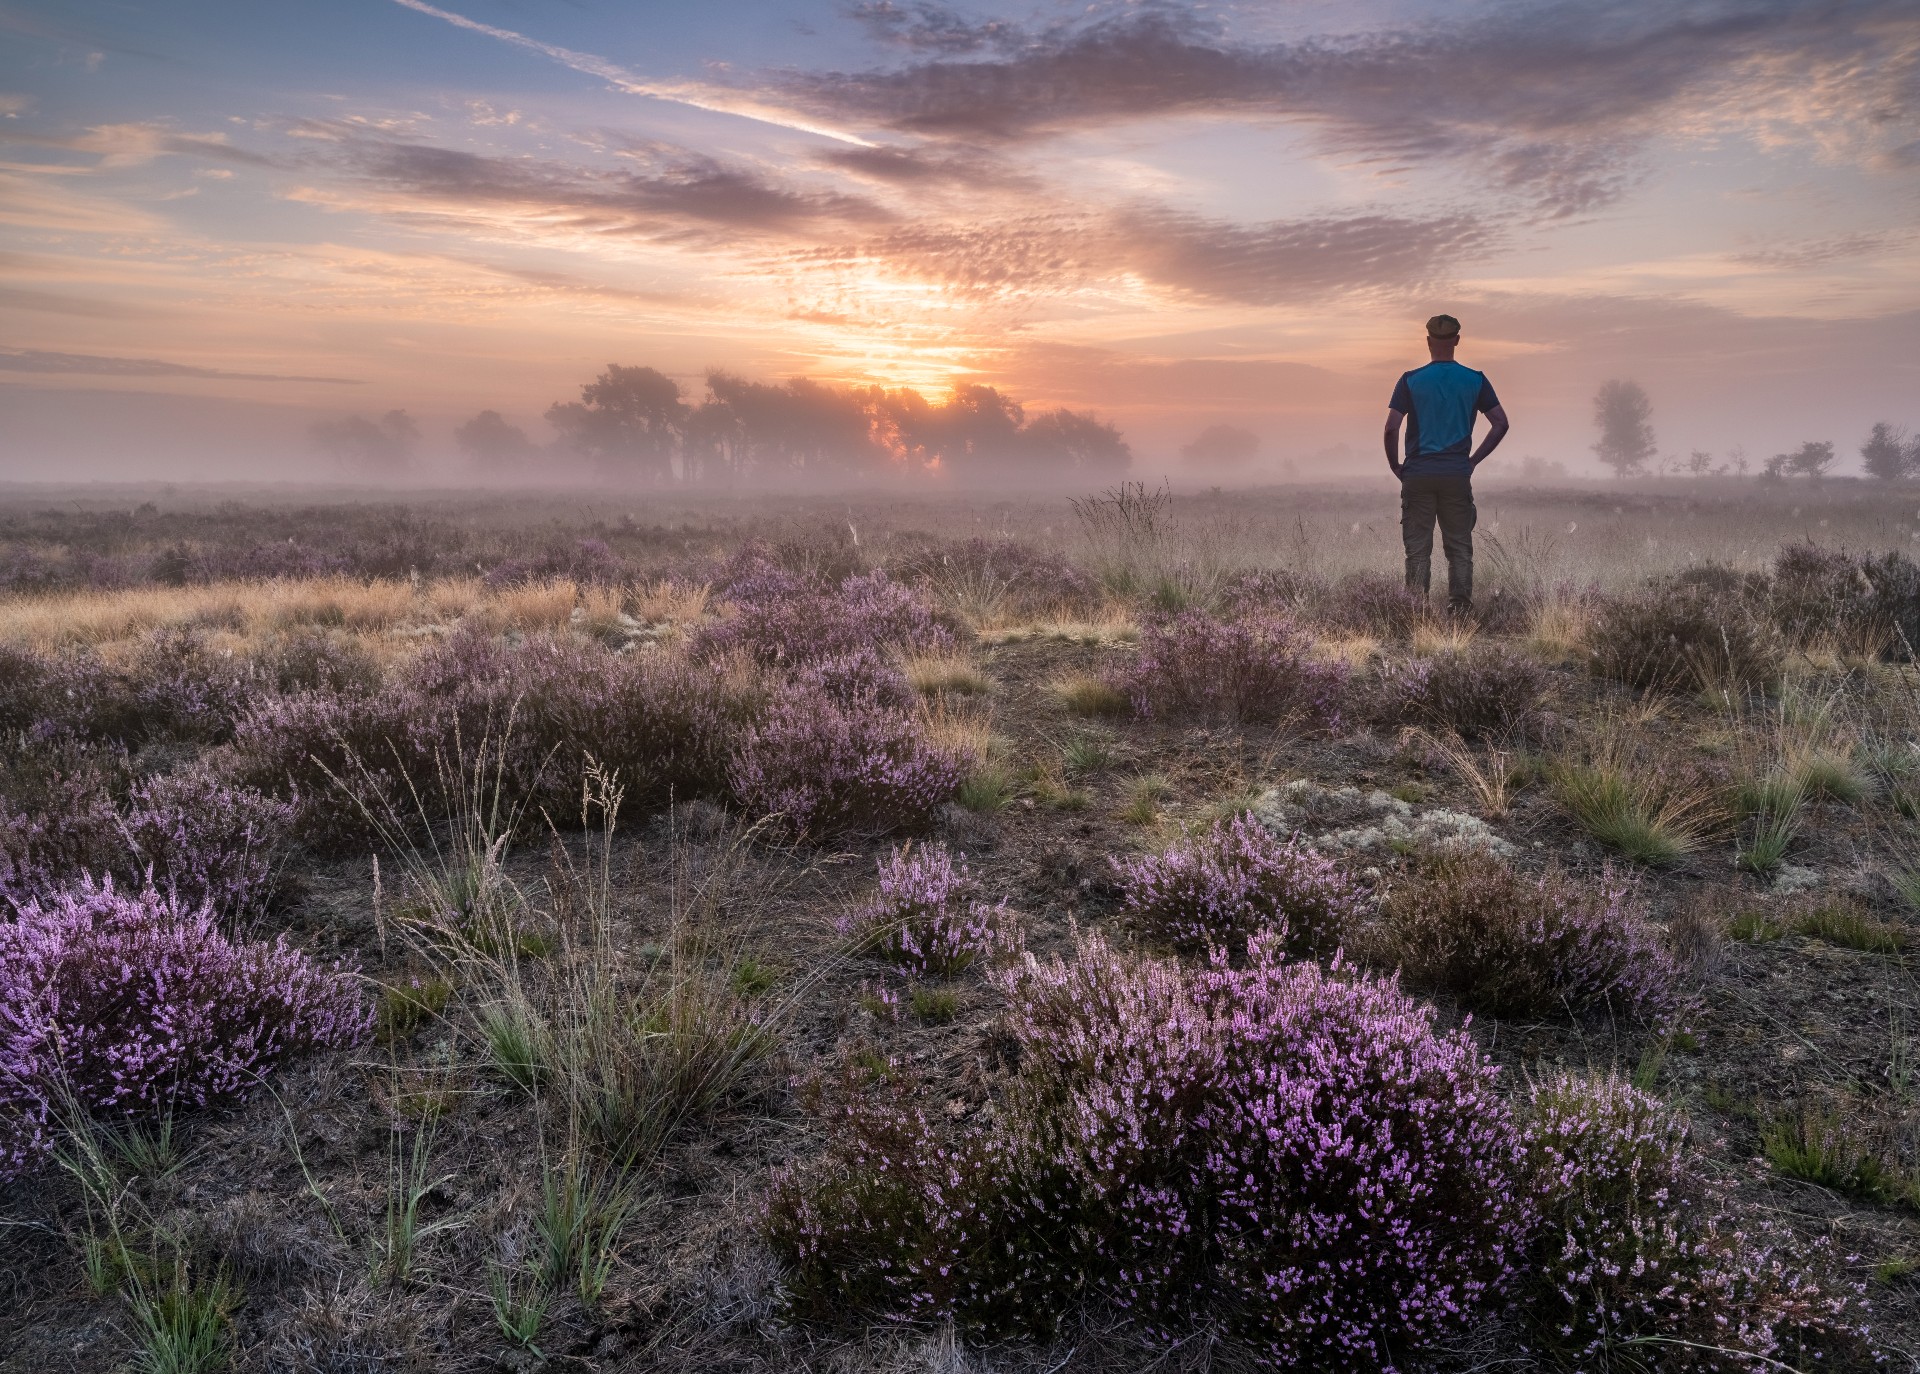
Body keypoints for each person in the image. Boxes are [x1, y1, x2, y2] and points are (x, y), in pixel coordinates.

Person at [1384, 314, 1509, 614]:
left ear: (1428, 342)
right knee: (1460, 548)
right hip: (1456, 474)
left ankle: (1415, 612)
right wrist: (1473, 461)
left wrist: (1396, 466)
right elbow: (1501, 423)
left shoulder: (1410, 380)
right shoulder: (1475, 379)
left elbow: (1391, 428)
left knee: (1417, 551)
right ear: (1457, 340)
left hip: (1418, 473)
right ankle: (1460, 610)